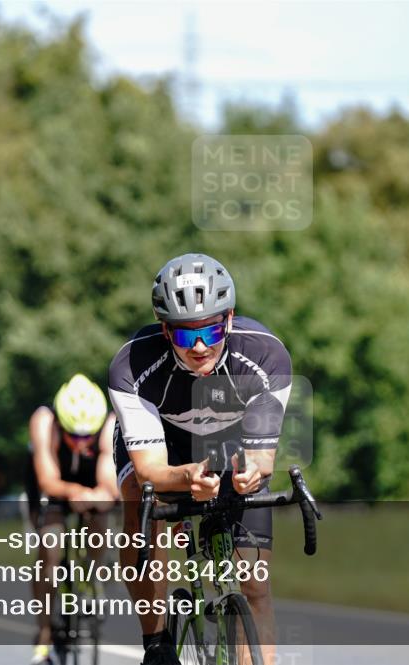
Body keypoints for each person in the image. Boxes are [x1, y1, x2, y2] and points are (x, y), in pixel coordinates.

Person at [108, 253, 292, 665]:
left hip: (230, 440)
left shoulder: (265, 356)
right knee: (139, 497)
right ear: (165, 329)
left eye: (211, 330)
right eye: (185, 334)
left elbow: (262, 458)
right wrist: (186, 477)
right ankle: (156, 641)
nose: (200, 346)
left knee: (255, 587)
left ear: (229, 320)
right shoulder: (133, 365)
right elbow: (150, 470)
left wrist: (250, 474)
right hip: (164, 444)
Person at [26, 373, 119, 665]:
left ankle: (91, 577)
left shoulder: (108, 424)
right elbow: (47, 479)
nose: (81, 442)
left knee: (100, 517)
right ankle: (44, 633)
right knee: (49, 547)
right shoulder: (44, 420)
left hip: (90, 479)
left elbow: (109, 484)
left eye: (87, 436)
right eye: (74, 436)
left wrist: (99, 496)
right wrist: (73, 492)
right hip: (53, 483)